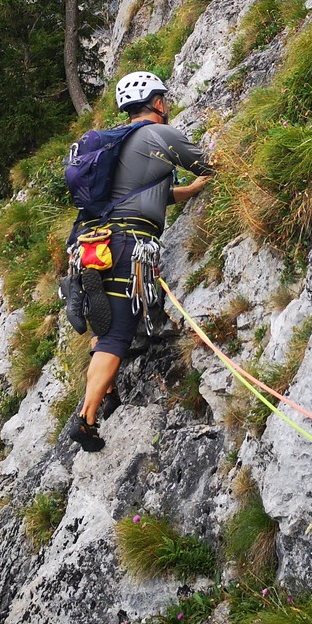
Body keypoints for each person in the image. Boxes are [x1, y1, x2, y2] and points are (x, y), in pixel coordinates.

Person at [65, 71, 212, 452]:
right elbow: (209, 164)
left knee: (106, 327)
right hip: (130, 245)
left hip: (96, 244)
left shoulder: (119, 142)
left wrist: (188, 191)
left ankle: (108, 391)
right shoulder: (160, 135)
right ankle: (86, 418)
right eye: (165, 99)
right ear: (158, 102)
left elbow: (145, 194)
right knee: (116, 334)